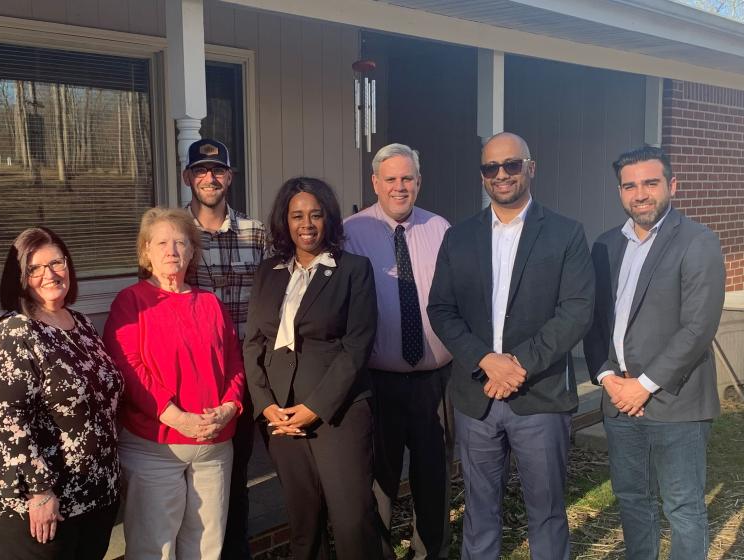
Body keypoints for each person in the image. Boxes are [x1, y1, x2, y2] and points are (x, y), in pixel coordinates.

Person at [427, 132, 594, 560]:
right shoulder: (459, 237)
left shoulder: (565, 233)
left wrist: (516, 365)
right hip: (476, 396)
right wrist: (485, 360)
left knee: (547, 513)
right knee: (479, 512)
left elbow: (575, 311)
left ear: (530, 168)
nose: (501, 175)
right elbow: (442, 309)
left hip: (539, 395)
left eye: (511, 165)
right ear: (483, 175)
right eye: (491, 168)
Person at [584, 146, 725, 560]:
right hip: (619, 403)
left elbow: (698, 327)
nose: (640, 193)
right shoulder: (606, 245)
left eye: (650, 183)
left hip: (675, 402)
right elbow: (593, 322)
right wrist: (609, 380)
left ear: (672, 185)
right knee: (632, 500)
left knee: (682, 508)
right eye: (630, 185)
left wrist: (642, 386)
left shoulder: (698, 241)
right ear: (619, 191)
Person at [0, 227, 124, 559]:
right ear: (18, 278)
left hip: (91, 499)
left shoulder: (81, 324)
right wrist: (40, 491)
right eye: (34, 268)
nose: (50, 274)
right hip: (34, 509)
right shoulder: (14, 332)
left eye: (56, 262)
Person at [243, 177, 382, 560]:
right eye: (297, 215)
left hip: (337, 413)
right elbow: (254, 341)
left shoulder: (354, 269)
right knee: (303, 522)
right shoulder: (269, 270)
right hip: (279, 416)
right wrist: (265, 405)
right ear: (284, 222)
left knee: (352, 519)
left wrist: (315, 408)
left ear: (329, 219)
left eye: (316, 215)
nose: (307, 224)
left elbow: (357, 346)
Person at [103, 207, 246, 560]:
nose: (172, 251)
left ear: (192, 251)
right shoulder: (131, 302)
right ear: (146, 252)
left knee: (206, 545)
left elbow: (234, 363)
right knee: (155, 547)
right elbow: (128, 368)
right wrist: (175, 416)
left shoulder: (210, 303)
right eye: (162, 242)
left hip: (213, 448)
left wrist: (229, 408)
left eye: (181, 242)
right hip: (156, 448)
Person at [345, 143, 452, 560]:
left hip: (434, 380)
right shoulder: (350, 232)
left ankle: (431, 553)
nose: (399, 187)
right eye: (390, 179)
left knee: (434, 476)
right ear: (375, 183)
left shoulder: (441, 229)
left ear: (419, 182)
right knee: (380, 481)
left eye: (407, 178)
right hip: (378, 381)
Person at [182, 138, 267, 560]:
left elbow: (273, 300)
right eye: (200, 171)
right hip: (196, 377)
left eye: (217, 171)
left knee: (237, 473)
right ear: (188, 178)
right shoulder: (173, 236)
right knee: (195, 478)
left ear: (229, 177)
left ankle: (236, 551)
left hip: (247, 372)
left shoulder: (256, 233)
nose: (209, 178)